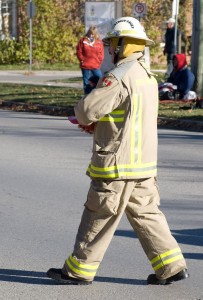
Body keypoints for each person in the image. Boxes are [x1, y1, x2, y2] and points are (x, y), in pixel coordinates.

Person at [47, 17, 189, 286]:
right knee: (148, 215)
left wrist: (85, 117)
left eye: (113, 44)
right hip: (143, 164)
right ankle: (171, 266)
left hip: (117, 164)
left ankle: (79, 270)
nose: (110, 50)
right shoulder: (147, 76)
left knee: (98, 214)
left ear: (124, 45)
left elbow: (87, 110)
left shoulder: (119, 76)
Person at [76, 26, 104, 95]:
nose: (91, 35)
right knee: (86, 81)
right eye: (90, 33)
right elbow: (79, 51)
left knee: (100, 79)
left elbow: (101, 53)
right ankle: (86, 96)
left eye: (93, 34)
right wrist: (82, 60)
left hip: (95, 65)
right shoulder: (83, 41)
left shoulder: (99, 42)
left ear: (95, 34)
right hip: (85, 64)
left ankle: (99, 93)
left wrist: (99, 61)